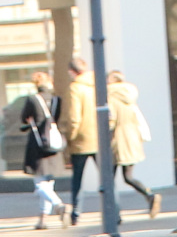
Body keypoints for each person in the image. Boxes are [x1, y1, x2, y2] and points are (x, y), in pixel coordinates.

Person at [12, 68, 68, 229]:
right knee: (48, 182)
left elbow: (25, 119)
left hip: (38, 144)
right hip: (54, 142)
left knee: (39, 183)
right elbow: (56, 118)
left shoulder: (32, 100)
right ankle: (42, 220)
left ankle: (59, 205)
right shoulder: (57, 100)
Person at [104, 71, 163, 218]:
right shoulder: (129, 96)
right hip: (132, 138)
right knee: (128, 176)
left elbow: (111, 120)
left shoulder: (111, 96)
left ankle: (114, 213)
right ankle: (149, 195)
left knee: (109, 178)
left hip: (117, 139)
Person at [61, 55, 99, 224]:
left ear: (72, 71)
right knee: (106, 177)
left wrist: (70, 136)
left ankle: (76, 213)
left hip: (81, 139)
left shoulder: (75, 88)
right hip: (98, 138)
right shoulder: (96, 85)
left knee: (77, 178)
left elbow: (74, 117)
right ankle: (116, 211)